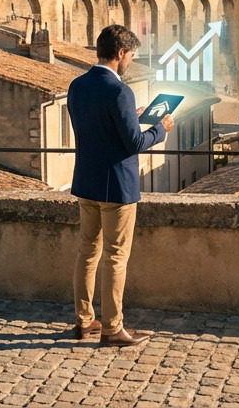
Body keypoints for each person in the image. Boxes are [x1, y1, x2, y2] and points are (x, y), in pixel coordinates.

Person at [68, 24, 172, 347]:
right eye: (131, 56)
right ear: (121, 53)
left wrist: (133, 117)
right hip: (118, 187)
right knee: (115, 256)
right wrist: (161, 129)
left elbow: (98, 128)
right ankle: (113, 328)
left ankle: (84, 320)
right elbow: (134, 142)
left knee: (87, 252)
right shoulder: (120, 92)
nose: (131, 62)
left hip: (87, 181)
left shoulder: (76, 86)